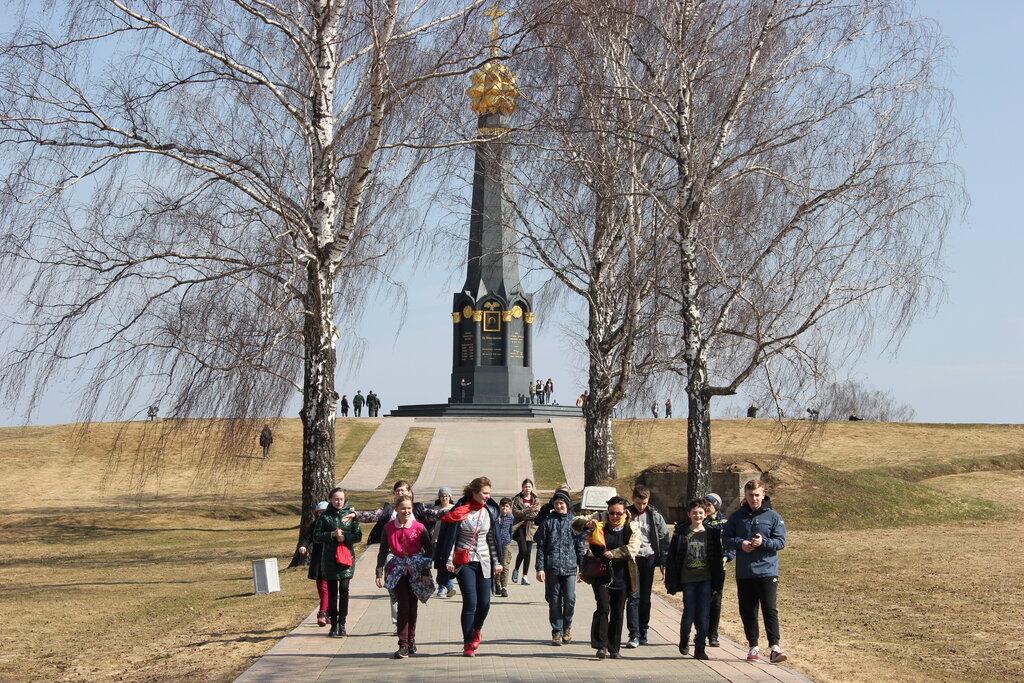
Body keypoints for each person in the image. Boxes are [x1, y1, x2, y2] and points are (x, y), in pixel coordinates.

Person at [356, 481, 445, 630]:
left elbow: (437, 514)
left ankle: (409, 626)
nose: (400, 493)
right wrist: (354, 514)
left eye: (403, 490)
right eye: (397, 490)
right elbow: (370, 515)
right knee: (397, 592)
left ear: (410, 492)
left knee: (413, 595)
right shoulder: (388, 510)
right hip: (394, 556)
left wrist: (459, 509)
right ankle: (399, 621)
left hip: (416, 556)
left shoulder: (418, 509)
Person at [435, 476, 503, 657]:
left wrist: (498, 562)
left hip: (485, 561)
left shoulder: (489, 511)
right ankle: (467, 643)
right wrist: (449, 560)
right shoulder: (460, 511)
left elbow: (492, 539)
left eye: (489, 493)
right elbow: (452, 538)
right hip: (464, 562)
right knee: (471, 602)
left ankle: (477, 630)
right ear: (475, 492)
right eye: (485, 493)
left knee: (485, 603)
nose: (488, 496)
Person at [722, 479, 788, 664]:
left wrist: (763, 543)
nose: (754, 499)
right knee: (748, 610)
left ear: (763, 494)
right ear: (745, 496)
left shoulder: (773, 516)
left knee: (769, 608)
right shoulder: (736, 517)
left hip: (767, 571)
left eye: (757, 495)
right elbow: (726, 539)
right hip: (745, 572)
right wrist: (741, 544)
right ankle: (753, 646)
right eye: (750, 495)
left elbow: (780, 542)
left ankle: (774, 647)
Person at [573, 495, 640, 660]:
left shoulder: (632, 526)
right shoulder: (599, 517)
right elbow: (574, 523)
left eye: (618, 513)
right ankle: (601, 645)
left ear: (625, 512)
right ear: (607, 511)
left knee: (617, 612)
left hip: (622, 575)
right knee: (603, 607)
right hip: (601, 573)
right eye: (612, 513)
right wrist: (586, 524)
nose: (615, 516)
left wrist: (615, 553)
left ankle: (614, 648)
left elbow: (634, 548)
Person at [376, 495, 435, 658]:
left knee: (412, 606)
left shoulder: (419, 527)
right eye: (403, 508)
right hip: (397, 570)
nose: (406, 511)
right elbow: (382, 551)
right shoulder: (388, 528)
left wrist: (424, 571)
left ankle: (411, 639)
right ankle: (403, 644)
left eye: (409, 508)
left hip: (416, 570)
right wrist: (379, 572)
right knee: (403, 605)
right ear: (396, 510)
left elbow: (429, 550)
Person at [666, 498, 725, 660]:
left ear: (705, 514)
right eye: (694, 513)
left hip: (706, 579)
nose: (697, 516)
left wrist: (717, 584)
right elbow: (672, 558)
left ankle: (700, 647)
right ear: (689, 514)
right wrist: (671, 581)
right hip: (688, 579)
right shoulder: (681, 533)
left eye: (700, 513)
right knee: (689, 612)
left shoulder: (711, 534)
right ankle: (684, 638)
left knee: (704, 614)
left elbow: (717, 559)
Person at [535, 490, 585, 646]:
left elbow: (580, 545)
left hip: (570, 567)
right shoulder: (548, 522)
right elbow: (541, 546)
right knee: (554, 600)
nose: (559, 506)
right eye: (556, 503)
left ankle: (567, 626)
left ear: (567, 504)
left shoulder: (574, 522)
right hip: (552, 568)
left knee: (570, 599)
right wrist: (540, 568)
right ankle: (556, 630)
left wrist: (582, 569)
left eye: (561, 503)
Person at [313, 487, 362, 636]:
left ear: (344, 499)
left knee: (345, 589)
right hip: (329, 559)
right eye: (336, 499)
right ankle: (333, 624)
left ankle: (342, 623)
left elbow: (358, 535)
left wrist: (345, 537)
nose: (339, 501)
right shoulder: (325, 516)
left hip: (346, 558)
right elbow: (316, 535)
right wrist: (331, 535)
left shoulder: (351, 515)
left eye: (341, 499)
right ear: (330, 500)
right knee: (333, 592)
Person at [625, 485, 669, 648]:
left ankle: (644, 629)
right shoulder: (627, 514)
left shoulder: (655, 516)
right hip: (633, 559)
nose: (641, 507)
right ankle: (633, 634)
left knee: (645, 598)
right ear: (633, 500)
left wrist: (663, 563)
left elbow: (664, 540)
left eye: (644, 503)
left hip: (649, 558)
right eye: (638, 503)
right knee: (633, 596)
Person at [702, 492, 735, 647]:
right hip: (700, 567)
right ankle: (700, 632)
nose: (706, 508)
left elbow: (730, 544)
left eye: (709, 505)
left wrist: (727, 556)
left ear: (716, 506)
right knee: (701, 600)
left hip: (717, 568)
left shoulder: (724, 523)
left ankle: (713, 634)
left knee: (715, 601)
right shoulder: (699, 519)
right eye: (704, 505)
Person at [298, 501, 331, 627]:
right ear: (316, 514)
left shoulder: (332, 525)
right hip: (318, 561)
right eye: (320, 513)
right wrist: (303, 546)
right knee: (322, 589)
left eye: (325, 513)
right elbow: (307, 538)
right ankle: (325, 613)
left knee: (329, 589)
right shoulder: (314, 525)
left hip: (331, 561)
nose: (322, 515)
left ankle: (325, 613)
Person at [511, 478, 540, 585]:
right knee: (523, 550)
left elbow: (536, 514)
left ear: (532, 488)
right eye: (525, 486)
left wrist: (526, 513)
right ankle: (516, 569)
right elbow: (515, 513)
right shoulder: (518, 499)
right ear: (523, 488)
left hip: (531, 528)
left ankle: (525, 576)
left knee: (528, 553)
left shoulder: (535, 499)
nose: (527, 488)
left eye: (529, 487)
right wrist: (528, 510)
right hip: (519, 528)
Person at [431, 487, 457, 598]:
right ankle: (444, 587)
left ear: (450, 497)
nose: (444, 498)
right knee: (439, 565)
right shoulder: (435, 509)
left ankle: (446, 587)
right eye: (442, 496)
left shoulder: (453, 509)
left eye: (446, 496)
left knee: (445, 564)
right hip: (435, 540)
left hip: (448, 541)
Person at [494, 497, 514, 597]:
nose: (504, 508)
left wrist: (509, 539)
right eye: (503, 506)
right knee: (497, 564)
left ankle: (504, 587)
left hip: (506, 542)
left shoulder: (510, 518)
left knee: (505, 565)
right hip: (496, 543)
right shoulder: (496, 516)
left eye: (507, 506)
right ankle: (496, 583)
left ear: (509, 508)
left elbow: (511, 531)